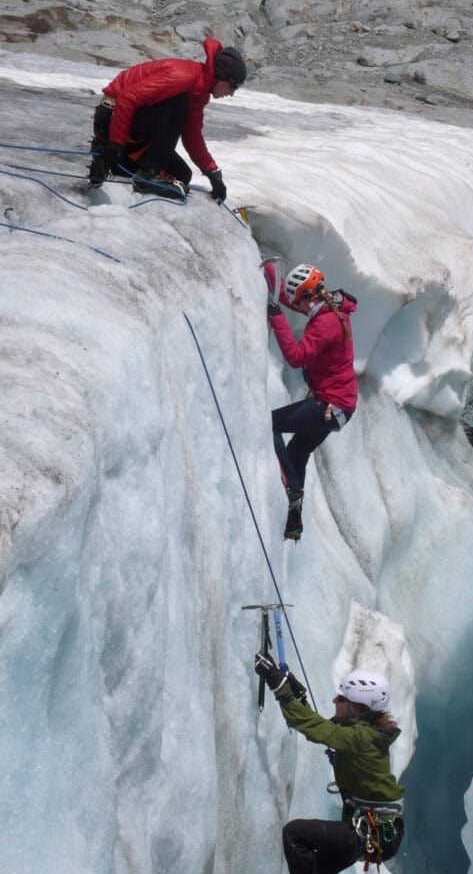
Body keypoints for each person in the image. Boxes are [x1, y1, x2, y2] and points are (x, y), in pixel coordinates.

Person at [254, 652, 405, 874]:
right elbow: (323, 728)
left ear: (356, 707)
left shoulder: (361, 736)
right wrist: (296, 695)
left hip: (371, 833)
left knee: (295, 835)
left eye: (341, 697)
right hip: (373, 833)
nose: (335, 701)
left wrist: (279, 687)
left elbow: (316, 730)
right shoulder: (361, 732)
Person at [264, 261, 358, 541]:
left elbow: (295, 356)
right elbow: (296, 302)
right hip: (340, 407)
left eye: (299, 300)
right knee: (297, 452)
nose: (299, 307)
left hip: (327, 407)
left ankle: (293, 487)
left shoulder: (325, 323)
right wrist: (272, 277)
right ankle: (294, 517)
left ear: (309, 296)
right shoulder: (332, 307)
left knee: (270, 424)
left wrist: (275, 315)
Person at [88, 39, 246, 199]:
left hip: (132, 129)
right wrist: (115, 144)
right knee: (179, 103)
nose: (232, 93)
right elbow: (127, 99)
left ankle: (106, 161)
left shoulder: (200, 92)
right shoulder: (184, 76)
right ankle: (146, 175)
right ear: (221, 75)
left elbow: (192, 135)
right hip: (111, 118)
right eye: (233, 86)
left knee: (182, 175)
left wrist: (212, 173)